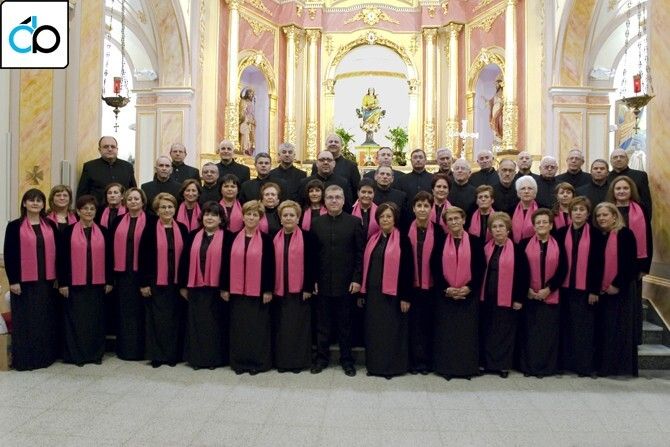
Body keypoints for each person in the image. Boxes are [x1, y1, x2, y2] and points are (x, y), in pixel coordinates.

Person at [310, 185, 364, 377]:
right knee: (322, 325)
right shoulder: (316, 223)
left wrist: (357, 279)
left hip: (346, 284)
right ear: (324, 200)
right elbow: (312, 255)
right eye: (330, 197)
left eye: (338, 197)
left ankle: (347, 360)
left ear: (343, 200)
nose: (334, 200)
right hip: (322, 282)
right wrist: (313, 279)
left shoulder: (354, 222)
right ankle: (321, 359)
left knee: (345, 325)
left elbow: (360, 254)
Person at [4, 189, 59, 371]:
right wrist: (13, 281)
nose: (35, 203)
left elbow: (58, 254)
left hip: (46, 282)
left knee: (44, 320)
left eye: (39, 200)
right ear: (24, 203)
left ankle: (44, 358)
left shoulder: (50, 225)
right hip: (24, 283)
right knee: (26, 322)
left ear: (43, 204)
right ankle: (25, 360)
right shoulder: (14, 226)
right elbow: (10, 254)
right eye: (31, 200)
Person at [57, 195, 112, 366]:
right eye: (85, 208)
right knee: (76, 321)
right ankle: (76, 356)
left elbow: (110, 258)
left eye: (92, 209)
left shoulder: (104, 231)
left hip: (97, 284)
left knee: (95, 320)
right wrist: (63, 283)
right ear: (78, 211)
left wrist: (109, 281)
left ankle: (95, 355)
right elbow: (61, 259)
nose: (88, 211)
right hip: (74, 284)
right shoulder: (67, 232)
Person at [222, 200, 275, 375]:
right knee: (239, 329)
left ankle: (257, 363)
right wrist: (224, 288)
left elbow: (270, 267)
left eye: (255, 215)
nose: (251, 218)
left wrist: (268, 290)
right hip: (237, 293)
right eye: (248, 214)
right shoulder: (231, 238)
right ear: (243, 217)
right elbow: (225, 265)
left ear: (260, 218)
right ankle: (239, 363)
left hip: (258, 292)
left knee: (257, 329)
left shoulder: (267, 240)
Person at [361, 203, 412, 379]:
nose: (385, 219)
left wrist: (406, 297)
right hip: (374, 295)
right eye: (382, 217)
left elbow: (408, 270)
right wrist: (362, 293)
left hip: (394, 295)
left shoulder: (403, 240)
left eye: (389, 216)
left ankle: (392, 368)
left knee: (392, 332)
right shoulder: (373, 239)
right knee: (375, 332)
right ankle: (375, 366)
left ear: (395, 219)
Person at [432, 206, 484, 380]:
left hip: (468, 296)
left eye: (457, 218)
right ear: (446, 224)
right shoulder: (440, 241)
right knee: (447, 334)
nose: (454, 222)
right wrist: (446, 289)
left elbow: (480, 267)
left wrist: (469, 288)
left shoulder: (475, 242)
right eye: (450, 220)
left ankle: (466, 369)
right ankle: (446, 368)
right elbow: (434, 267)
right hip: (446, 296)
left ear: (464, 220)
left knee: (466, 335)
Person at [138, 193, 189, 368]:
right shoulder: (150, 229)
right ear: (157, 210)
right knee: (157, 320)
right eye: (163, 207)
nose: (167, 210)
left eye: (170, 207)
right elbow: (142, 257)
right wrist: (144, 283)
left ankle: (173, 355)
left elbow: (186, 259)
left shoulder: (182, 228)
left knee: (175, 319)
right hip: (156, 281)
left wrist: (184, 283)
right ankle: (157, 356)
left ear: (175, 209)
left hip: (176, 282)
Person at [179, 201, 229, 370]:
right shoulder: (192, 235)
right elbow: (184, 261)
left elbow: (229, 265)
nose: (210, 218)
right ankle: (197, 359)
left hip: (217, 289)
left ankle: (213, 360)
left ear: (221, 219)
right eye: (207, 214)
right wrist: (183, 285)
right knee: (196, 324)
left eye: (214, 215)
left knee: (214, 325)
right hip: (195, 287)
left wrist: (225, 287)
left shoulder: (228, 237)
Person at [557, 196, 603, 377]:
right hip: (564, 288)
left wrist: (594, 290)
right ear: (570, 213)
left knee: (584, 329)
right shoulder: (561, 233)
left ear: (588, 214)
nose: (578, 213)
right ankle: (566, 363)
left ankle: (584, 366)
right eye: (575, 210)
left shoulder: (596, 235)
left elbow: (598, 264)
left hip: (585, 290)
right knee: (565, 326)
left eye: (582, 210)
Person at [518, 208, 567, 377]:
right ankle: (528, 367)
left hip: (550, 295)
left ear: (551, 225)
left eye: (545, 222)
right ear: (533, 226)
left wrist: (549, 289)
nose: (541, 225)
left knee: (547, 334)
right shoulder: (524, 244)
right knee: (529, 333)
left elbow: (563, 269)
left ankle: (546, 368)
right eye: (538, 222)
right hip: (529, 296)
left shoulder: (559, 244)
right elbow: (520, 270)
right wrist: (527, 289)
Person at [479, 212, 529, 378]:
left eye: (501, 226)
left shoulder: (517, 250)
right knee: (487, 330)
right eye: (494, 227)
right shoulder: (485, 248)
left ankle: (502, 365)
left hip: (508, 299)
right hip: (487, 297)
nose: (498, 229)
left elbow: (523, 276)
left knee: (504, 332)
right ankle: (487, 364)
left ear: (508, 229)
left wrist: (519, 299)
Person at [593, 202, 638, 377]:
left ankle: (619, 367)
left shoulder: (625, 234)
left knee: (620, 329)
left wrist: (617, 284)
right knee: (605, 330)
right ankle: (604, 366)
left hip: (622, 290)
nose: (601, 218)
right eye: (598, 215)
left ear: (614, 216)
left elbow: (630, 264)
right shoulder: (599, 236)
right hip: (603, 291)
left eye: (605, 215)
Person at [607, 175, 653, 345]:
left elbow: (648, 238)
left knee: (631, 304)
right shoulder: (607, 210)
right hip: (611, 265)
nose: (621, 191)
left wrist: (644, 267)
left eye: (625, 188)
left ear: (631, 190)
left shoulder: (640, 209)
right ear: (613, 191)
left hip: (634, 267)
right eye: (618, 188)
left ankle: (632, 340)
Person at [272, 200, 315, 373]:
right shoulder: (273, 237)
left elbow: (312, 264)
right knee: (281, 328)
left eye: (292, 215)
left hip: (299, 292)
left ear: (298, 218)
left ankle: (298, 363)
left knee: (298, 327)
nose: (288, 218)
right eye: (285, 215)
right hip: (279, 290)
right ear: (280, 219)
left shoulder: (307, 237)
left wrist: (308, 288)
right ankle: (282, 362)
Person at [108, 187, 148, 360]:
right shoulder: (117, 221)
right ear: (125, 202)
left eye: (136, 199)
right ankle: (125, 349)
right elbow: (109, 248)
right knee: (124, 312)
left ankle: (141, 349)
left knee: (141, 312)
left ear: (143, 201)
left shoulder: (151, 220)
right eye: (130, 199)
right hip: (123, 274)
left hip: (142, 274)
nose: (133, 202)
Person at [406, 191, 439, 374]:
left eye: (426, 206)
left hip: (431, 287)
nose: (422, 209)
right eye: (419, 205)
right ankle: (413, 362)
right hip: (411, 286)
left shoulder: (439, 231)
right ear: (413, 208)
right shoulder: (405, 229)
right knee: (412, 326)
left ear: (431, 208)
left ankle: (426, 362)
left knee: (428, 325)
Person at [77, 136, 137, 203]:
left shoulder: (128, 167)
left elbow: (133, 191)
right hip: (98, 208)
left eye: (113, 146)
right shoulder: (89, 167)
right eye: (106, 147)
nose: (110, 149)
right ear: (99, 150)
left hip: (123, 208)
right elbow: (82, 195)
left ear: (117, 149)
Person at [310, 134, 361, 200]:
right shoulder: (316, 165)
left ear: (342, 146)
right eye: (330, 142)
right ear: (326, 145)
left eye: (336, 142)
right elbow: (312, 185)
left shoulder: (351, 165)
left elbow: (356, 189)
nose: (333, 143)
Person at [609, 148, 652, 214]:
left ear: (627, 160)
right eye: (615, 157)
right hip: (611, 214)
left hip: (635, 215)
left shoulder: (640, 176)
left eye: (622, 157)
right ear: (611, 161)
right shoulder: (606, 177)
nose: (618, 159)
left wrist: (646, 218)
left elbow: (646, 201)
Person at [511, 175, 539, 243]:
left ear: (535, 193)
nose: (526, 191)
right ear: (518, 193)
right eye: (523, 188)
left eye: (530, 188)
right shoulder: (511, 210)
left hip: (535, 245)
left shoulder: (541, 210)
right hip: (515, 246)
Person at [239, 87, 256, 156]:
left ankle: (249, 150)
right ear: (247, 94)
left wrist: (253, 120)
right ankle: (244, 149)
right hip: (246, 121)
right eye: (250, 93)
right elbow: (243, 112)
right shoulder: (243, 101)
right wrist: (247, 119)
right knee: (246, 135)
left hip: (251, 121)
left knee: (252, 137)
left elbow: (252, 113)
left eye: (252, 94)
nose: (251, 95)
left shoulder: (251, 103)